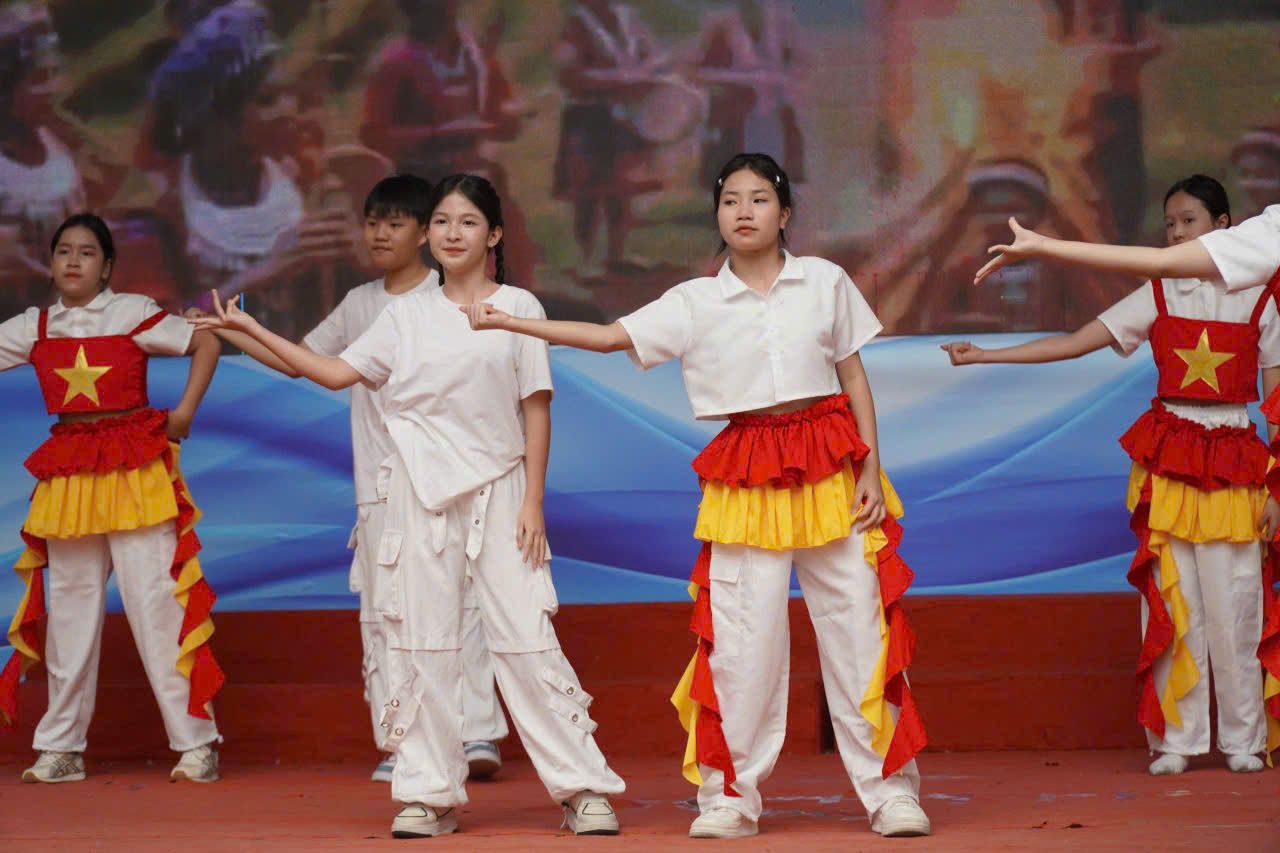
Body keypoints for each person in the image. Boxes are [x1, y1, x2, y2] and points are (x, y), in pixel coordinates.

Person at [460, 153, 930, 839]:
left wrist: (870, 467)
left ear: (785, 212)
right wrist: (513, 324)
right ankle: (730, 797)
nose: (744, 211)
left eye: (759, 199)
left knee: (861, 630)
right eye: (731, 200)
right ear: (717, 214)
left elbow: (853, 377)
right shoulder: (694, 302)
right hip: (745, 476)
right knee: (741, 643)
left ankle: (891, 793)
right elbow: (607, 336)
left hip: (832, 466)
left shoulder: (824, 281)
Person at [191, 174, 624, 838]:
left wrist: (533, 501)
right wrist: (249, 329)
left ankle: (582, 788)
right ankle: (429, 793)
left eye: (468, 222)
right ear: (430, 233)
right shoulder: (403, 316)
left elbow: (535, 408)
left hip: (500, 491)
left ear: (494, 235)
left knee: (526, 638)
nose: (452, 233)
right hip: (416, 497)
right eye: (442, 221)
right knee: (422, 642)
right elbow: (333, 372)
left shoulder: (518, 306)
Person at [946, 175, 1279, 773]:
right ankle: (1177, 741)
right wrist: (987, 355)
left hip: (1235, 460)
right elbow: (1077, 342)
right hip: (1170, 457)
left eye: (1190, 221)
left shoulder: (1262, 298)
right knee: (1175, 600)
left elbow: (1277, 403)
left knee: (1238, 600)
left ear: (1224, 227)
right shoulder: (1158, 294)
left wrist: (1277, 485)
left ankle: (1243, 741)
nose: (1177, 233)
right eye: (1170, 224)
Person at [195, 174, 509, 782]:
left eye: (396, 222)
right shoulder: (362, 303)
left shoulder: (452, 299)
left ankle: (475, 733)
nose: (381, 234)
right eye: (372, 222)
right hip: (384, 489)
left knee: (467, 606)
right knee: (388, 615)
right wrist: (236, 330)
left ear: (425, 232)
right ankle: (402, 743)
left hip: (456, 482)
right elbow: (305, 363)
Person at [0, 213, 224, 783]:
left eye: (87, 252)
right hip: (70, 477)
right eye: (63, 251)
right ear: (51, 263)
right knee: (70, 612)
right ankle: (61, 748)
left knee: (156, 605)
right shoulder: (35, 325)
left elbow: (206, 340)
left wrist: (183, 415)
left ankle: (197, 744)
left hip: (134, 471)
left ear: (107, 268)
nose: (73, 261)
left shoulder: (131, 312)